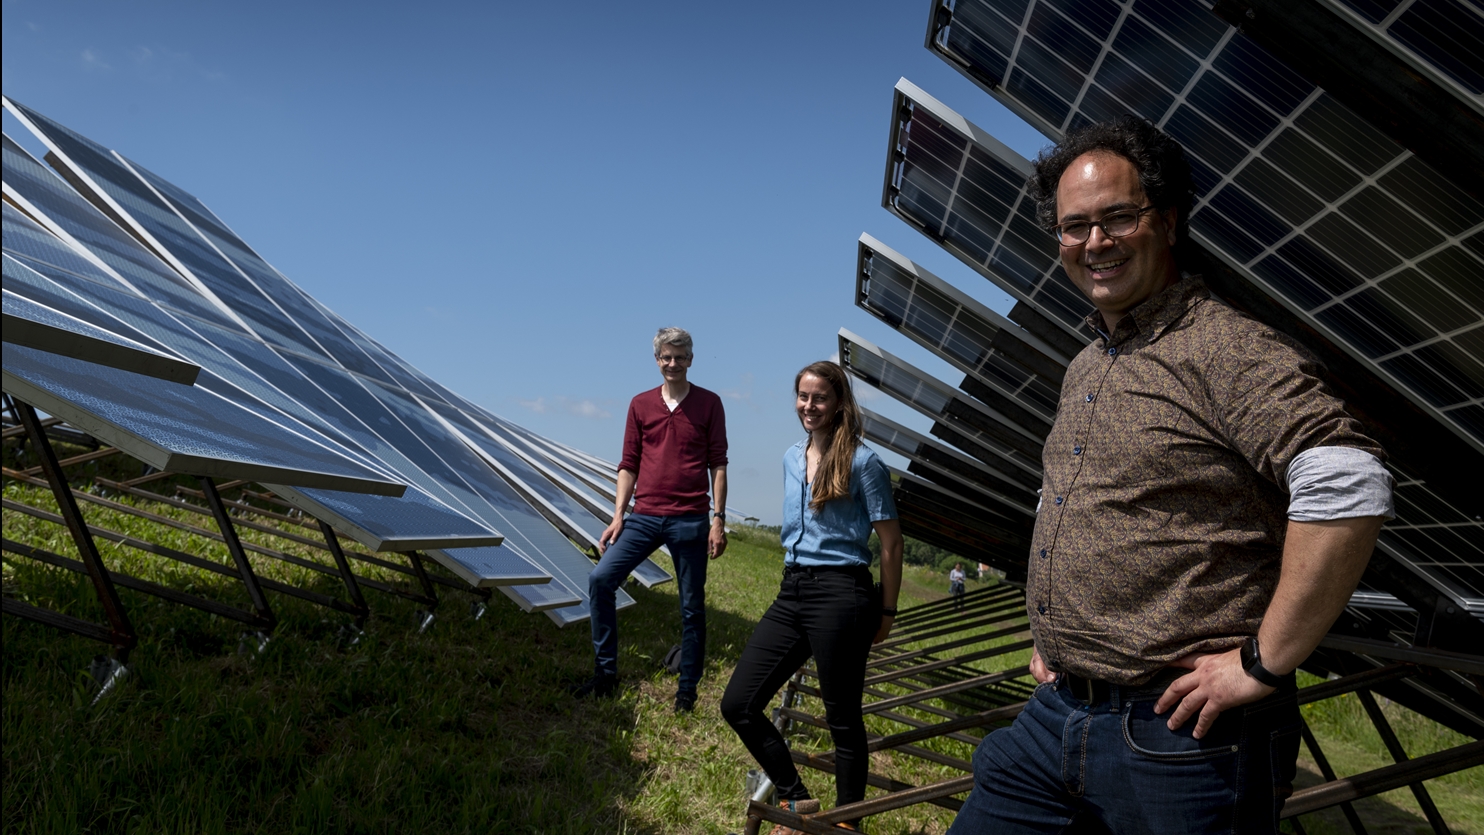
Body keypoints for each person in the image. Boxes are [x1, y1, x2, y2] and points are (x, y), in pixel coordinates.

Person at [947, 117, 1392, 834]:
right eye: (1074, 226)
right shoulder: (1088, 364)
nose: (1095, 242)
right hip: (1058, 714)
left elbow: (1346, 480)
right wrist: (1056, 624)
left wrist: (1262, 661)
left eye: (1118, 217)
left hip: (1179, 735)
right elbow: (1067, 494)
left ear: (1168, 220)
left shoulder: (1225, 347)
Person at [721, 361, 903, 834]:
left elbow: (891, 542)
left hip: (843, 594)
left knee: (842, 717)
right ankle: (796, 798)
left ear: (839, 402)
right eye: (803, 396)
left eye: (819, 397)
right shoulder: (789, 457)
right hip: (793, 588)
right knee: (738, 703)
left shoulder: (864, 463)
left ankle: (846, 824)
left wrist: (887, 609)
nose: (809, 406)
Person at [573, 327, 728, 714]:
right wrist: (618, 516)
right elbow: (628, 464)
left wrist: (718, 519)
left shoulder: (710, 404)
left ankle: (687, 690)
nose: (673, 363)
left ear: (691, 360)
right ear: (657, 360)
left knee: (691, 607)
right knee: (600, 579)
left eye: (680, 357)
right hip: (643, 516)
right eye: (666, 357)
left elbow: (718, 465)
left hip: (690, 518)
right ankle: (605, 675)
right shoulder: (640, 405)